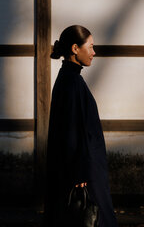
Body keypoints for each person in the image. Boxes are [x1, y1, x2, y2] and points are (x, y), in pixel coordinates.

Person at [44, 25, 118, 227]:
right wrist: (78, 174)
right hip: (84, 171)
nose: (94, 52)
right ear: (75, 48)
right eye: (91, 47)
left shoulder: (70, 79)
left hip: (84, 167)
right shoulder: (71, 83)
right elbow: (70, 131)